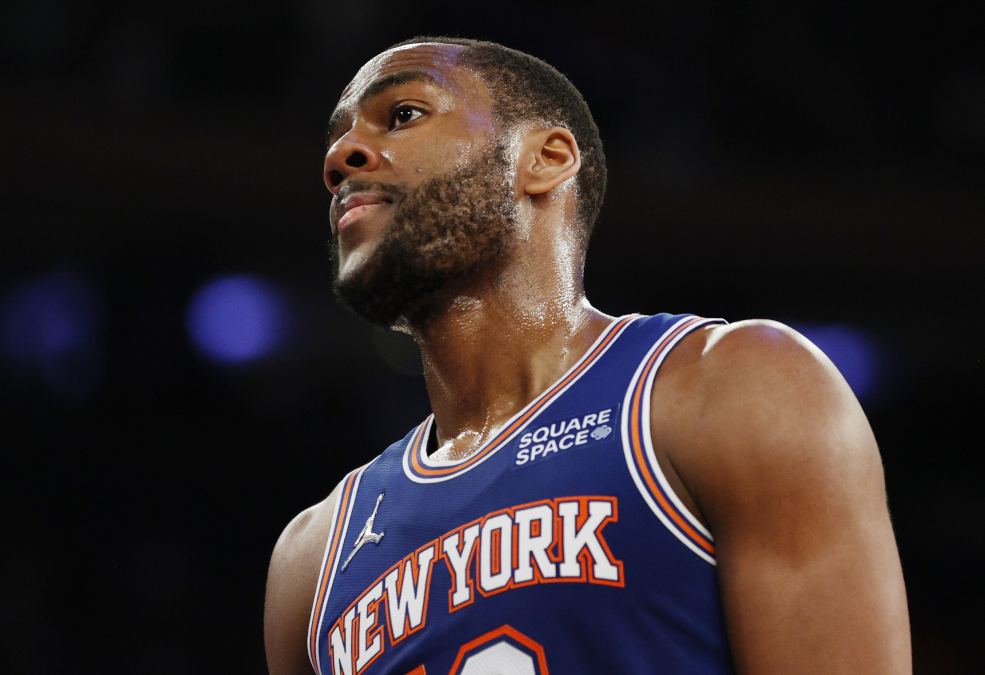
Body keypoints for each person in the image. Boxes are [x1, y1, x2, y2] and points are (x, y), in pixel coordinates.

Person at [265, 37, 910, 675]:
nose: (339, 159)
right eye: (337, 140)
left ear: (545, 160)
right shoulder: (314, 561)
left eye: (404, 114)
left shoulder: (735, 388)